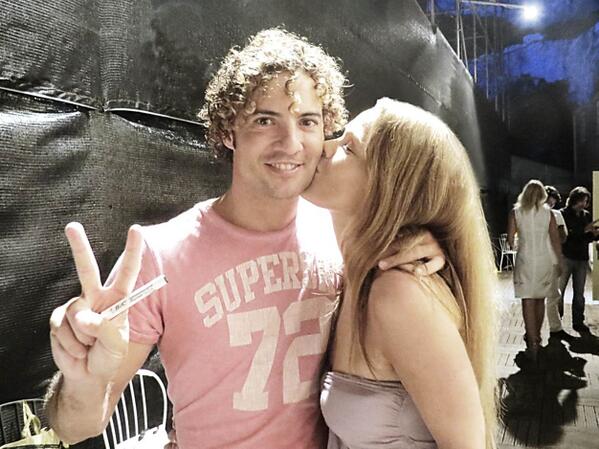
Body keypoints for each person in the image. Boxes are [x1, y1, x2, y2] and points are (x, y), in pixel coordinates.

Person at [44, 29, 444, 449]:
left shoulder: (341, 232)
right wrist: (82, 381)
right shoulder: (160, 254)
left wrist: (428, 246)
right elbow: (74, 427)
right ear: (228, 131)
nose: (290, 143)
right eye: (264, 120)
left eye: (307, 121)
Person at [304, 99, 498, 449]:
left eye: (349, 147)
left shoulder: (397, 293)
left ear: (391, 187)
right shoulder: (351, 270)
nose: (325, 146)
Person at [507, 180, 564, 360]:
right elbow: (555, 239)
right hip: (544, 260)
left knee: (527, 301)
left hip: (525, 260)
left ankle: (532, 342)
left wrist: (518, 241)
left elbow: (510, 240)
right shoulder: (549, 214)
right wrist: (559, 261)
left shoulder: (516, 212)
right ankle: (537, 338)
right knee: (540, 299)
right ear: (542, 195)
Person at [558, 186, 599, 335]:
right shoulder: (563, 214)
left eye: (586, 201)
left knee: (579, 293)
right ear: (574, 199)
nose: (584, 204)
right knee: (559, 291)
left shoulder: (585, 215)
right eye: (581, 200)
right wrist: (584, 230)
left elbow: (586, 238)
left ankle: (578, 321)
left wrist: (594, 234)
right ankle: (557, 322)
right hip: (566, 256)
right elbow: (565, 237)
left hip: (581, 258)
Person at [544, 185, 572, 342]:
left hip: (533, 261)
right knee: (552, 296)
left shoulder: (528, 214)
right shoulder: (556, 215)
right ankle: (555, 328)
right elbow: (563, 237)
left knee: (534, 298)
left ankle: (531, 331)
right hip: (551, 260)